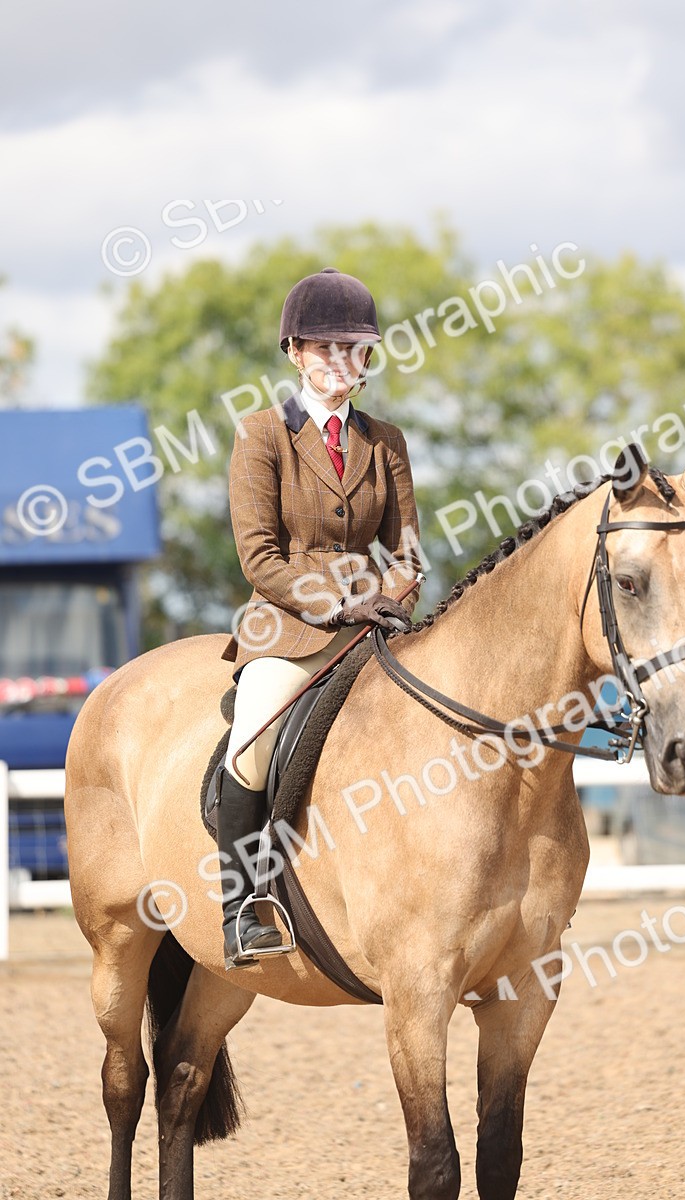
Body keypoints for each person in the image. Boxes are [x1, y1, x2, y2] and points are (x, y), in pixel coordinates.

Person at [218, 267, 422, 968]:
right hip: (286, 626)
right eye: (325, 348)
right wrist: (338, 603)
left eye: (355, 349)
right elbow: (259, 558)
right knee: (253, 741)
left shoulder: (386, 442)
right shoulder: (260, 436)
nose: (341, 363)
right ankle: (244, 906)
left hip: (374, 625)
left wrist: (388, 603)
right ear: (297, 353)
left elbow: (408, 551)